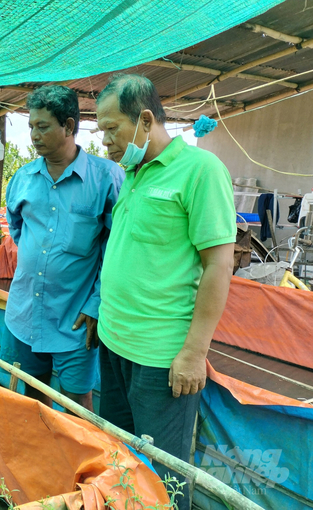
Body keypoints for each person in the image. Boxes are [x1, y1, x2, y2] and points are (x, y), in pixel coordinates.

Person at [95, 74, 236, 508]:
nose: (106, 143)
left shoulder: (201, 171)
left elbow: (219, 264)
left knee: (164, 475)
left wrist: (194, 352)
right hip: (114, 343)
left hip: (160, 359)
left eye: (111, 129)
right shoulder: (132, 174)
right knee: (117, 458)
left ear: (146, 119)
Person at [5, 85, 123, 411]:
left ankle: (73, 461)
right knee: (31, 396)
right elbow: (17, 229)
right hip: (24, 313)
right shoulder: (23, 179)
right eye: (31, 126)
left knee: (76, 402)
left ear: (69, 126)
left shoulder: (106, 179)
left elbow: (115, 248)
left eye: (43, 126)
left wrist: (97, 303)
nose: (34, 135)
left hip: (77, 318)